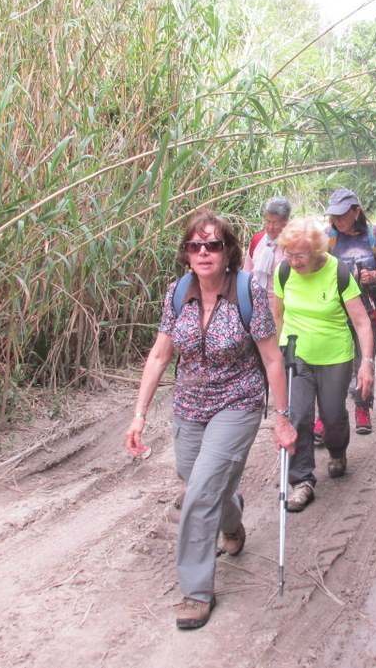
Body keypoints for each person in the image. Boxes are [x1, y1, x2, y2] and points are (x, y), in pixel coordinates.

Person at [124, 211, 297, 631]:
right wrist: (139, 414)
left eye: (213, 245)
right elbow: (161, 354)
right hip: (189, 405)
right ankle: (232, 517)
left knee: (200, 492)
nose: (204, 253)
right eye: (195, 246)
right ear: (186, 254)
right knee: (194, 477)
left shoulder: (248, 291)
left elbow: (272, 357)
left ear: (228, 251)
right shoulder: (178, 292)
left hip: (237, 402)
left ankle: (196, 591)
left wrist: (281, 417)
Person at [271, 218, 375, 512]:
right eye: (289, 254)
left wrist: (366, 363)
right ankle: (301, 481)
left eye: (300, 255)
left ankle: (338, 449)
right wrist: (275, 357)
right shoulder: (283, 272)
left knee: (332, 416)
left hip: (335, 356)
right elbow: (277, 316)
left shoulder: (338, 272)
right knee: (299, 417)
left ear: (316, 250)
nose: (294, 261)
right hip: (297, 354)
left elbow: (362, 322)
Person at [322, 188, 376, 436]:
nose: (338, 220)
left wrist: (374, 275)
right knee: (332, 364)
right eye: (334, 216)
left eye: (343, 215)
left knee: (364, 361)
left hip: (370, 309)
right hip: (336, 313)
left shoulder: (375, 235)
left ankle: (362, 408)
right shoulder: (328, 238)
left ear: (357, 212)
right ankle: (326, 414)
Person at [244, 196, 292, 302]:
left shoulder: (291, 245)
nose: (270, 227)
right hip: (254, 301)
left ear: (286, 223)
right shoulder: (257, 240)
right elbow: (247, 271)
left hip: (282, 302)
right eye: (268, 221)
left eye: (275, 223)